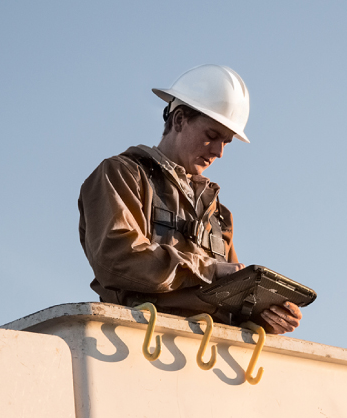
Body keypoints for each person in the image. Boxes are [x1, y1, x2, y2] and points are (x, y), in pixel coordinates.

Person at [77, 64, 303, 335]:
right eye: (212, 136)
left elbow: (227, 297)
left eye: (227, 142)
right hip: (136, 344)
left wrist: (261, 318)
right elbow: (116, 259)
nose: (219, 151)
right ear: (179, 120)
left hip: (206, 355)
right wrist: (210, 270)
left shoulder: (219, 215)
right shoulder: (122, 174)